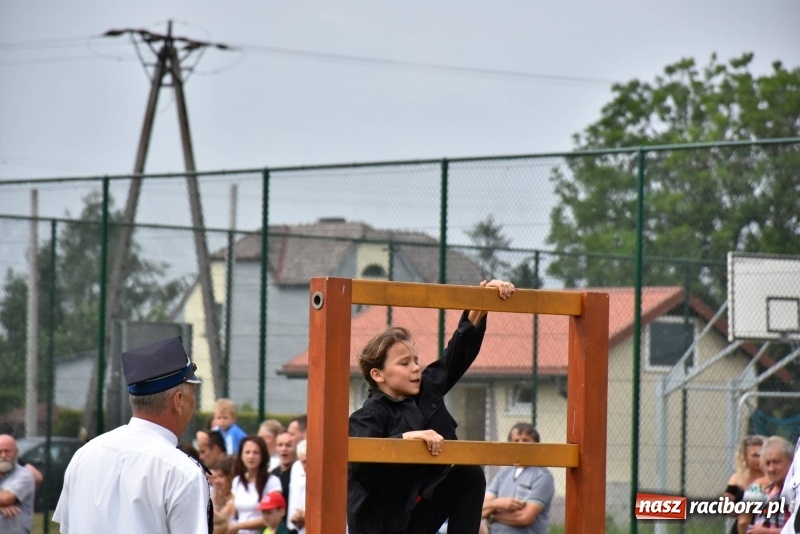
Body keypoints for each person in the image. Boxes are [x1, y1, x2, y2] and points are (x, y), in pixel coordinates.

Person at [348, 278, 516, 534]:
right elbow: (363, 469)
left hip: (415, 519)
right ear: (378, 375)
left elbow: (456, 354)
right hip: (381, 525)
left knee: (468, 474)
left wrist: (483, 300)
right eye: (404, 363)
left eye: (416, 360)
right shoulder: (367, 416)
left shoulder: (424, 394)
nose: (416, 367)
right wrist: (406, 438)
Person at [53, 336, 211, 533]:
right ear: (178, 401)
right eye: (193, 394)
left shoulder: (84, 455)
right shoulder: (182, 472)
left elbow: (67, 529)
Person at [481, 423, 554, 534]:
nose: (521, 445)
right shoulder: (504, 473)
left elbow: (525, 517)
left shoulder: (543, 476)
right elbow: (480, 508)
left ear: (536, 444)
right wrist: (499, 503)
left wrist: (492, 516)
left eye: (525, 440)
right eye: (516, 441)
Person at [229, 435, 282, 534]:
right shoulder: (237, 481)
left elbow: (274, 516)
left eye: (256, 452)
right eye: (247, 452)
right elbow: (233, 512)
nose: (251, 456)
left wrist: (239, 525)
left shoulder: (272, 482)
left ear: (263, 456)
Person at [740, 436, 792, 533]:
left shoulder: (794, 493)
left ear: (791, 461)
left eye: (776, 462)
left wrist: (768, 532)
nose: (771, 469)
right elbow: (743, 522)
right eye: (767, 463)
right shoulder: (761, 490)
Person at [722, 435, 766, 534]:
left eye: (762, 454)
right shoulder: (737, 478)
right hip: (741, 528)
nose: (759, 459)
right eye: (755, 455)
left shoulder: (772, 478)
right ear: (745, 456)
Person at [0, 434, 35, 534]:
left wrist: (3, 503)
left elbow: (7, 498)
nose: (3, 455)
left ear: (16, 452)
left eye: (7, 451)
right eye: (0, 451)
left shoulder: (24, 475)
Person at [211, 456, 237, 534]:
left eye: (221, 476)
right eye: (215, 477)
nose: (216, 481)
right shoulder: (212, 497)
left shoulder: (235, 500)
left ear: (231, 478)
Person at [271, 431, 297, 503]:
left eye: (288, 445)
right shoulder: (273, 473)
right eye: (280, 445)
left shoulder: (299, 474)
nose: (284, 449)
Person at [287, 439, 307, 533]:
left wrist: (305, 516)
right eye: (303, 462)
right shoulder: (296, 469)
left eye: (308, 461)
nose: (305, 466)